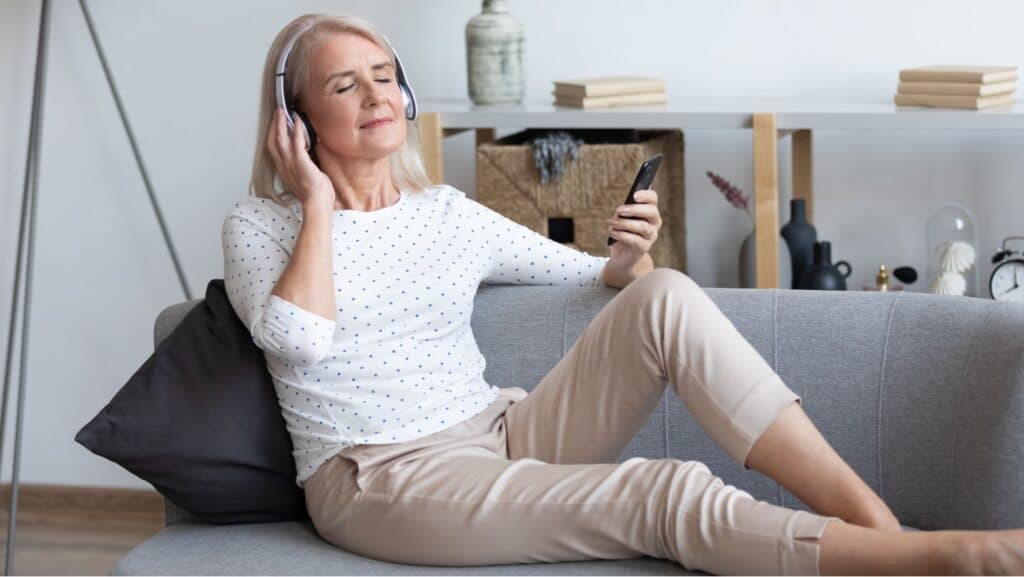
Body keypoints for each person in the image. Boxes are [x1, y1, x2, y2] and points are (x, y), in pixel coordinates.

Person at [221, 12, 1024, 576]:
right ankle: (941, 559)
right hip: (381, 480)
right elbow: (298, 337)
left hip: (500, 433)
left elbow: (592, 275)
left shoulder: (447, 215)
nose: (376, 96)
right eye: (344, 86)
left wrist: (626, 256)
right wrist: (319, 205)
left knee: (664, 294)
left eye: (386, 77)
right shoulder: (262, 226)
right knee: (660, 489)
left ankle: (876, 526)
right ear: (295, 122)